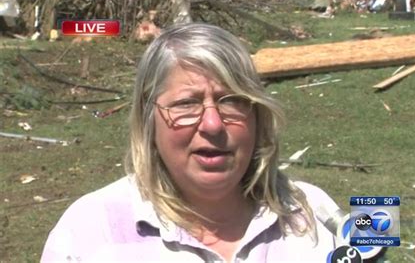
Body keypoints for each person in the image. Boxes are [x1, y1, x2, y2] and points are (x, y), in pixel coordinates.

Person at [41, 23, 343, 262]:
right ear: (149, 117)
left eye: (232, 101)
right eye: (186, 104)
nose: (212, 124)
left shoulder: (314, 210)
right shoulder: (89, 232)